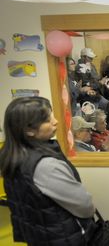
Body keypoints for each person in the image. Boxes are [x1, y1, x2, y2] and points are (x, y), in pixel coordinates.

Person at [0, 97, 96, 245]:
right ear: (29, 130)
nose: (55, 121)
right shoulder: (45, 166)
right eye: (47, 119)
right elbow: (85, 206)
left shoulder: (11, 157)